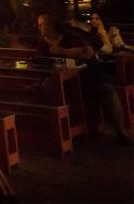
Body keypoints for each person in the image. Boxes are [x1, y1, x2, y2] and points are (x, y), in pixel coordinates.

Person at [37, 13, 131, 144]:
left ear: (51, 25)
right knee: (47, 87)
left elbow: (87, 52)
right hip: (65, 81)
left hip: (88, 76)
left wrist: (61, 52)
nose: (39, 27)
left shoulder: (70, 36)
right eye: (39, 24)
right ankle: (62, 132)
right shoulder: (42, 43)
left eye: (42, 24)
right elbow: (42, 63)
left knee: (107, 90)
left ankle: (120, 132)